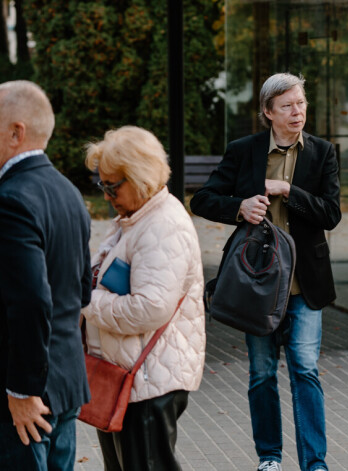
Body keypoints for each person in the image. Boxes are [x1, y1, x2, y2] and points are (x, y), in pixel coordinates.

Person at [191, 72, 341, 471]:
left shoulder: (323, 152)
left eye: (302, 103)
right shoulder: (244, 150)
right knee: (261, 375)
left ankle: (315, 463)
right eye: (288, 106)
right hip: (256, 287)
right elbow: (202, 199)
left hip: (304, 286)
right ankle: (270, 458)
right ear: (268, 112)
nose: (298, 112)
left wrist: (289, 191)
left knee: (305, 372)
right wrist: (239, 207)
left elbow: (331, 214)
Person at [82, 126, 206, 470]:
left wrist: (86, 302)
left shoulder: (162, 226)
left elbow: (149, 307)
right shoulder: (135, 218)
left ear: (141, 177)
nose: (106, 194)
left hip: (150, 382)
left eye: (112, 185)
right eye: (101, 184)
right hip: (129, 377)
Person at [0, 81, 92, 469]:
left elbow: (32, 300)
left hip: (28, 394)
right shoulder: (70, 193)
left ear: (16, 132)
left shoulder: (11, 198)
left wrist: (21, 390)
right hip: (66, 381)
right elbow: (82, 291)